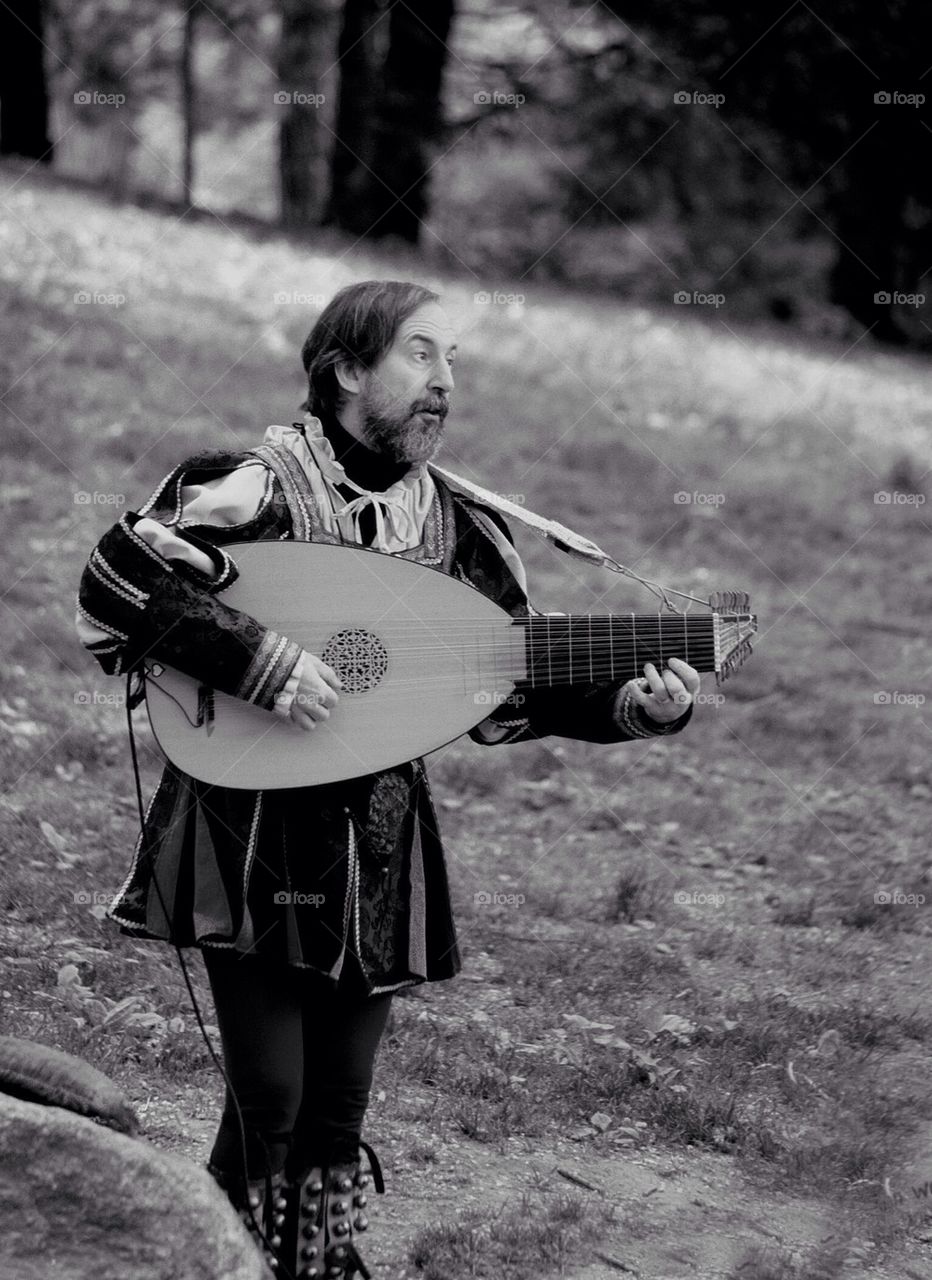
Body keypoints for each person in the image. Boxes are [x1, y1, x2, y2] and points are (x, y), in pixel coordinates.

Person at [75, 279, 698, 1279]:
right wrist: (259, 660)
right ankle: (223, 1254)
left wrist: (635, 702)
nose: (443, 382)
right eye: (419, 354)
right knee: (270, 1092)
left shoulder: (459, 531)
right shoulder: (250, 485)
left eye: (451, 361)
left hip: (378, 835)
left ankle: (311, 1259)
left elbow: (497, 689)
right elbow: (116, 577)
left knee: (335, 1100)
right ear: (346, 370)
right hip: (247, 818)